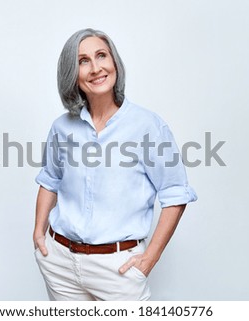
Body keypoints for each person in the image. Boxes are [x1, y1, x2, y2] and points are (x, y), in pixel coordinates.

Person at [33, 28, 197, 301]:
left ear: (114, 62)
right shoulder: (62, 127)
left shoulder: (148, 126)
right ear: (71, 73)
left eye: (101, 56)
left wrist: (149, 260)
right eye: (83, 61)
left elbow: (175, 194)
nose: (95, 68)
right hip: (60, 262)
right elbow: (50, 179)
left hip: (118, 270)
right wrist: (39, 235)